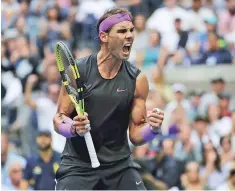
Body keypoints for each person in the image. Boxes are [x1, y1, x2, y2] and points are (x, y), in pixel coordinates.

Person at [53, 8, 164, 190]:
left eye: (131, 30)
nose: (129, 36)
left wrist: (153, 128)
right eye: (121, 31)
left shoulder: (137, 80)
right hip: (78, 167)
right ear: (104, 37)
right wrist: (73, 127)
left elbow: (135, 135)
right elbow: (58, 119)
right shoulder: (78, 71)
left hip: (120, 167)